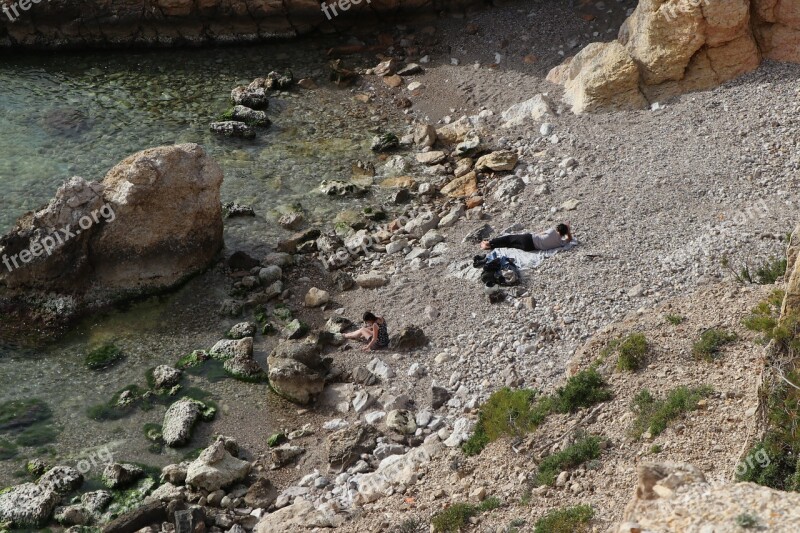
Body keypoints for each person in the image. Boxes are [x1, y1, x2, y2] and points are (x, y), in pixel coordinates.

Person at [480, 223, 572, 251]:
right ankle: (490, 247)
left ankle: (488, 243)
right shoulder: (560, 243)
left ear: (558, 228)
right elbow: (570, 239)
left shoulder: (552, 231)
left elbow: (540, 233)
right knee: (510, 245)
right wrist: (568, 231)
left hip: (528, 239)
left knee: (508, 238)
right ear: (564, 233)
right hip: (529, 248)